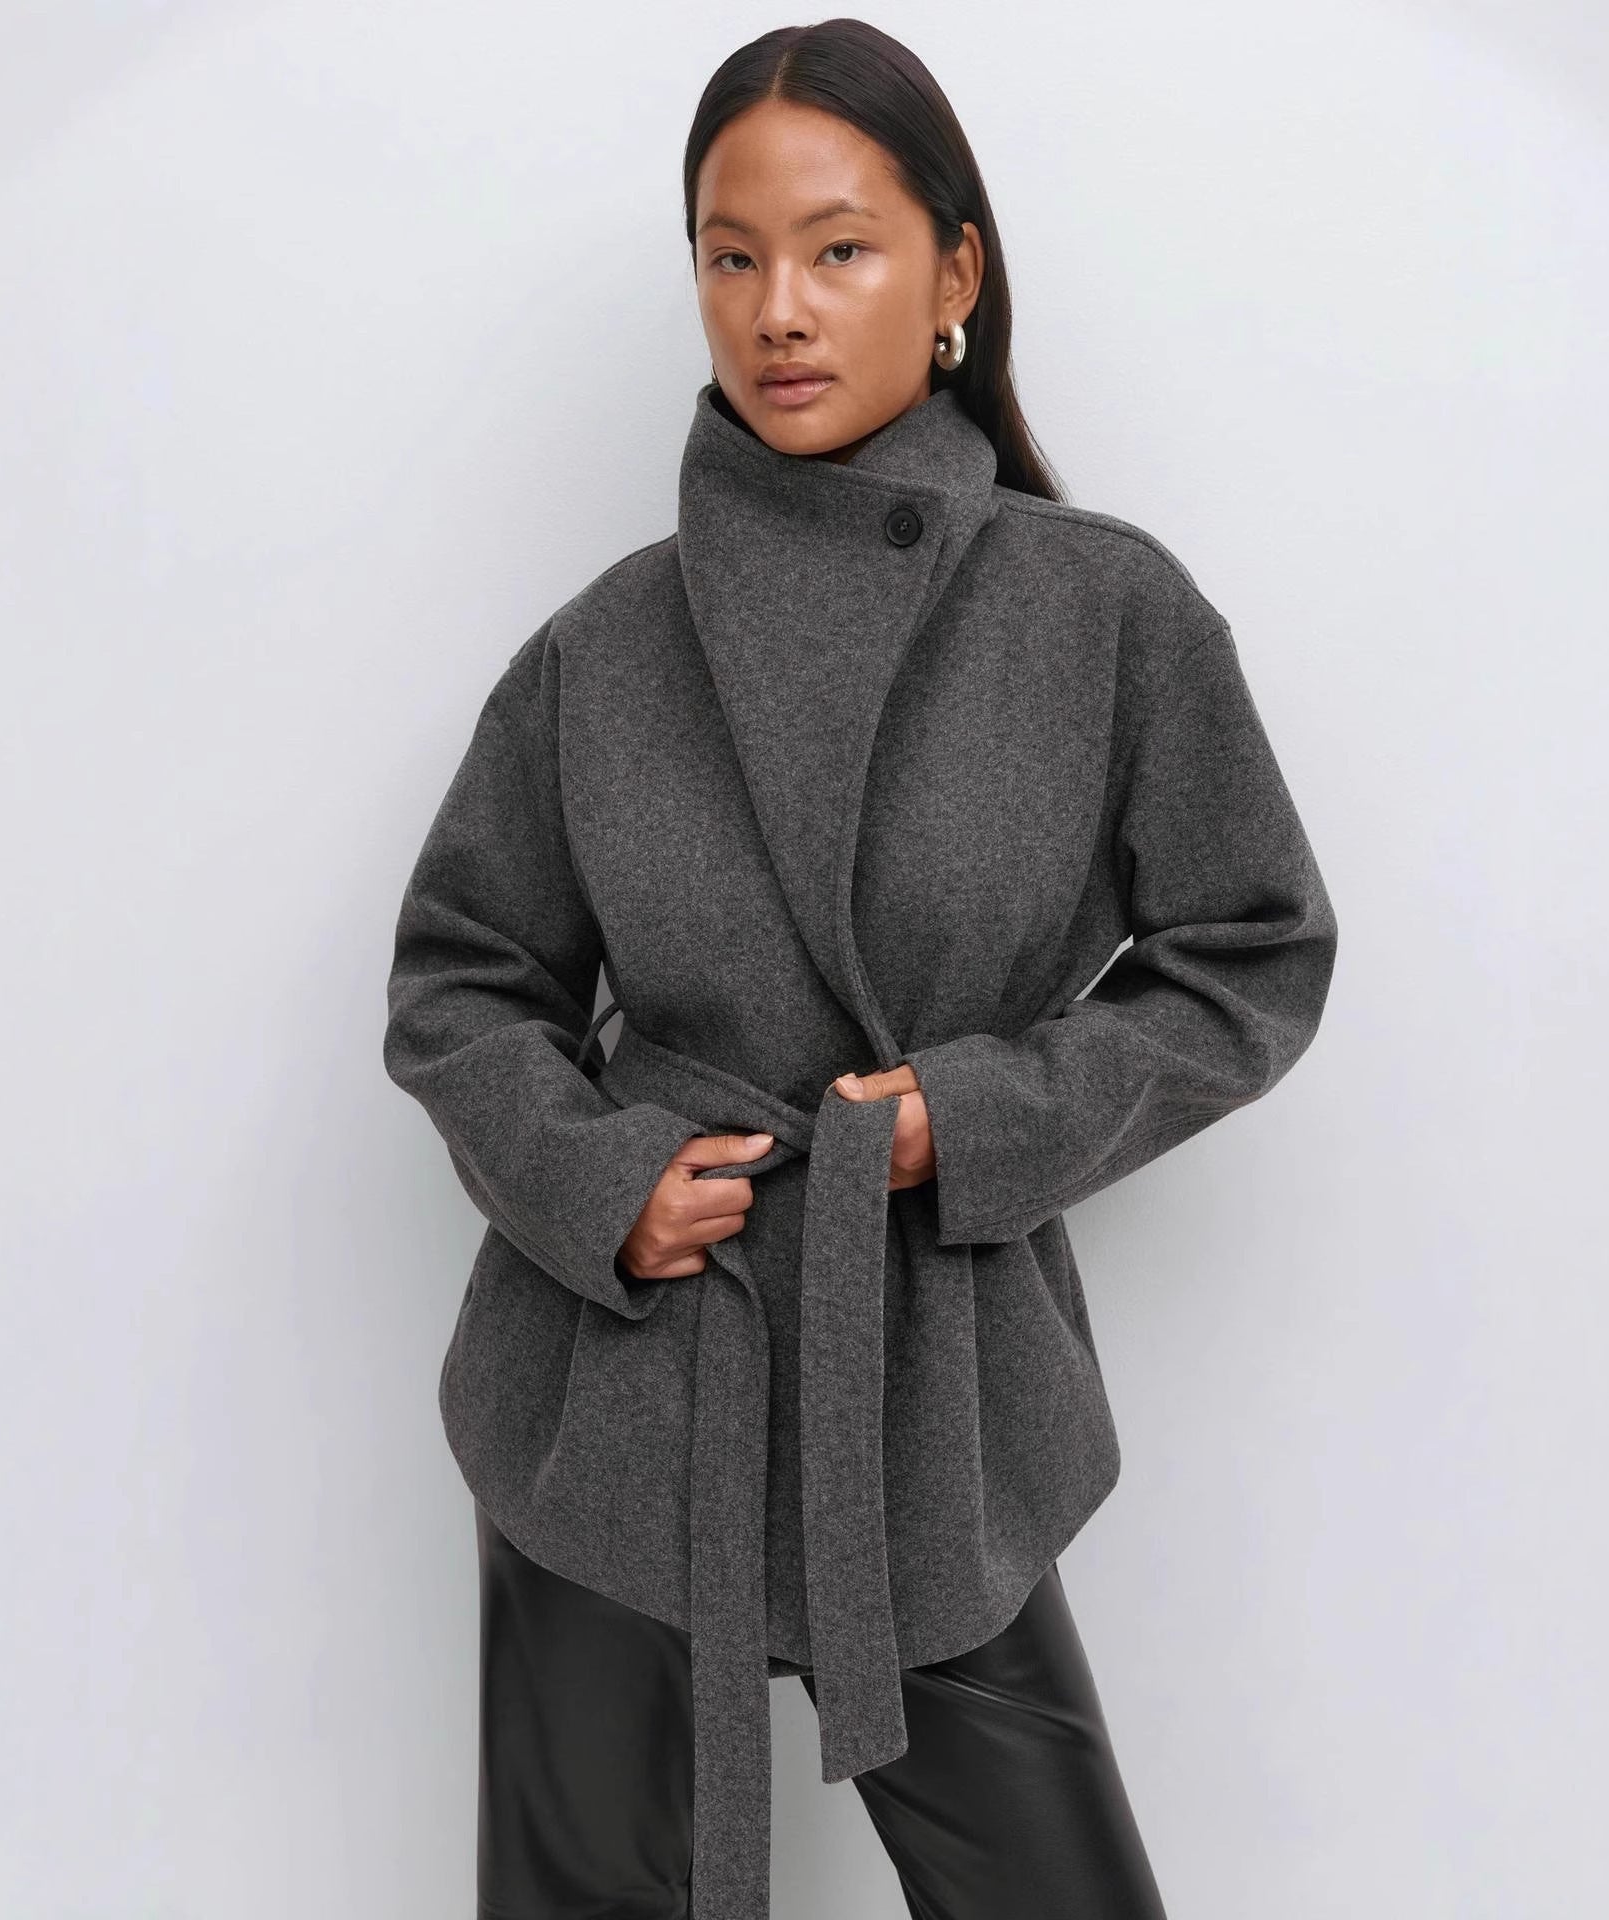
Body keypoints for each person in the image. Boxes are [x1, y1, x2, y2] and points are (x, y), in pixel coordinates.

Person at [382, 19, 1338, 1920]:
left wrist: (976, 1120)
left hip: (931, 1390)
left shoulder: (1104, 614)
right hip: (623, 1389)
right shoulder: (604, 648)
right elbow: (461, 979)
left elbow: (1253, 951)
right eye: (730, 257)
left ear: (955, 273)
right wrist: (598, 1178)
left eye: (839, 249)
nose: (779, 311)